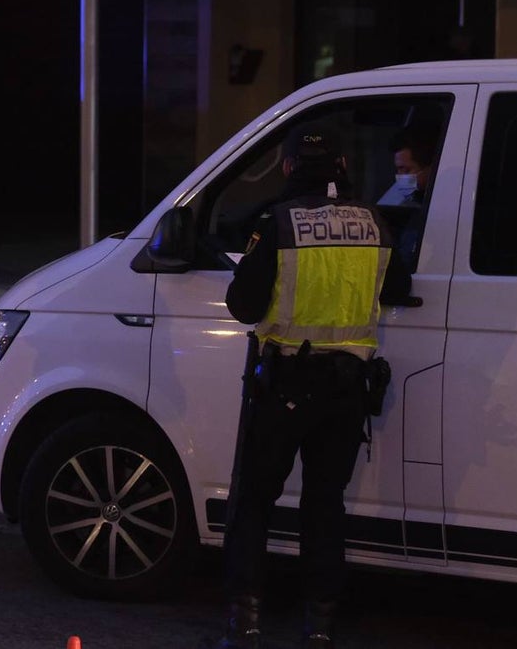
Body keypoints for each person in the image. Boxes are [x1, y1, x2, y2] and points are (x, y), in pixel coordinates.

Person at [215, 125, 411, 649]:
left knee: (254, 501)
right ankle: (319, 629)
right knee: (325, 508)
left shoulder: (276, 224)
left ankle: (245, 625)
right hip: (347, 391)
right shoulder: (374, 221)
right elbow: (397, 288)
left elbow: (244, 308)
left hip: (283, 386)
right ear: (341, 168)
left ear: (286, 170)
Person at [389, 124, 437, 270]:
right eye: (397, 170)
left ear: (430, 168)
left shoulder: (438, 209)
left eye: (406, 170)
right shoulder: (409, 205)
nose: (400, 177)